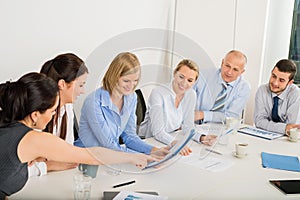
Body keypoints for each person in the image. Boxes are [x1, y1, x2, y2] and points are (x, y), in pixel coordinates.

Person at [0, 72, 155, 199]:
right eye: (52, 111)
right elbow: (92, 155)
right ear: (35, 115)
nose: (54, 114)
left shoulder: (8, 126)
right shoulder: (33, 139)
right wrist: (132, 157)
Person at [74, 52, 169, 157]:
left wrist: (154, 150)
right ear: (114, 77)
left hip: (110, 158)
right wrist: (142, 157)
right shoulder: (93, 102)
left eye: (135, 80)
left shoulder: (131, 97)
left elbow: (130, 137)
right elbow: (108, 144)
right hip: (85, 160)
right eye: (126, 81)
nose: (131, 86)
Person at [26, 53, 89, 177]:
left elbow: (67, 154)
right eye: (80, 85)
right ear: (62, 84)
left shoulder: (67, 107)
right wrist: (49, 165)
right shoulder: (37, 113)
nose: (83, 91)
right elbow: (20, 169)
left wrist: (45, 159)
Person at [138, 59, 217, 152]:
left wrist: (201, 138)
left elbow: (188, 126)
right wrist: (176, 144)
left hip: (169, 138)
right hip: (149, 141)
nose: (184, 83)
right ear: (175, 73)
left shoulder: (191, 94)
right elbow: (158, 132)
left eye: (190, 80)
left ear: (194, 82)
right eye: (181, 77)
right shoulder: (158, 93)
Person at [194, 50, 251, 123]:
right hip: (195, 126)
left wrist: (203, 115)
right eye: (227, 66)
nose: (229, 72)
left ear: (241, 72)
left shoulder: (244, 88)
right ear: (222, 63)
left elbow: (231, 116)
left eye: (235, 69)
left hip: (222, 129)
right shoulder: (202, 76)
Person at [254, 59, 300, 134]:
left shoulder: (296, 95)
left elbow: (292, 129)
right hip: (266, 137)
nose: (275, 83)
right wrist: (284, 128)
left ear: (290, 83)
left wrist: (268, 125)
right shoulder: (262, 90)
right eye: (274, 76)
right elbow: (259, 122)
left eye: (281, 80)